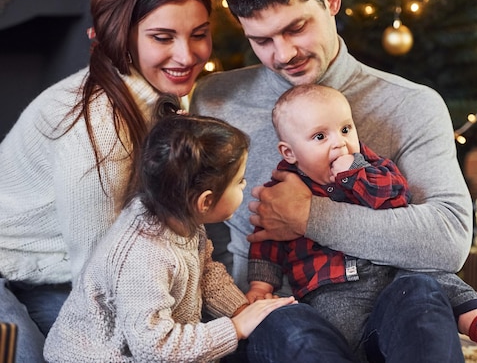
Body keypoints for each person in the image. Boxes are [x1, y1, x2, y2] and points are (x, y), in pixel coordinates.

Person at [190, 0, 470, 360]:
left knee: (423, 294)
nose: (283, 54)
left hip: (387, 320)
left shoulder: (412, 105)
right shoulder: (216, 102)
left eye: (296, 28)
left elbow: (448, 240)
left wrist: (305, 215)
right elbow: (200, 237)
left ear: (331, 0)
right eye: (261, 40)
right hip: (280, 321)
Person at [0, 0, 215, 363]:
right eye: (163, 37)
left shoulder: (162, 96)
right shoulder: (99, 126)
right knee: (31, 355)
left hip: (65, 269)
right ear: (122, 36)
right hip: (15, 267)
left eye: (199, 34)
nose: (187, 56)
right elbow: (99, 276)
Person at [247, 84, 477, 358]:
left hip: (390, 275)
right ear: (289, 152)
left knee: (431, 282)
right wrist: (261, 285)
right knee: (328, 329)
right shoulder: (281, 189)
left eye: (345, 129)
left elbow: (395, 196)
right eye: (320, 137)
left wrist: (355, 174)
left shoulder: (369, 165)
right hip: (333, 291)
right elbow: (267, 241)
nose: (340, 143)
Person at [43, 100, 297, 362]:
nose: (245, 186)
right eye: (240, 181)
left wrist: (242, 309)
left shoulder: (179, 218)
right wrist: (234, 328)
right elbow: (155, 347)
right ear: (205, 201)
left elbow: (206, 274)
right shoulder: (143, 256)